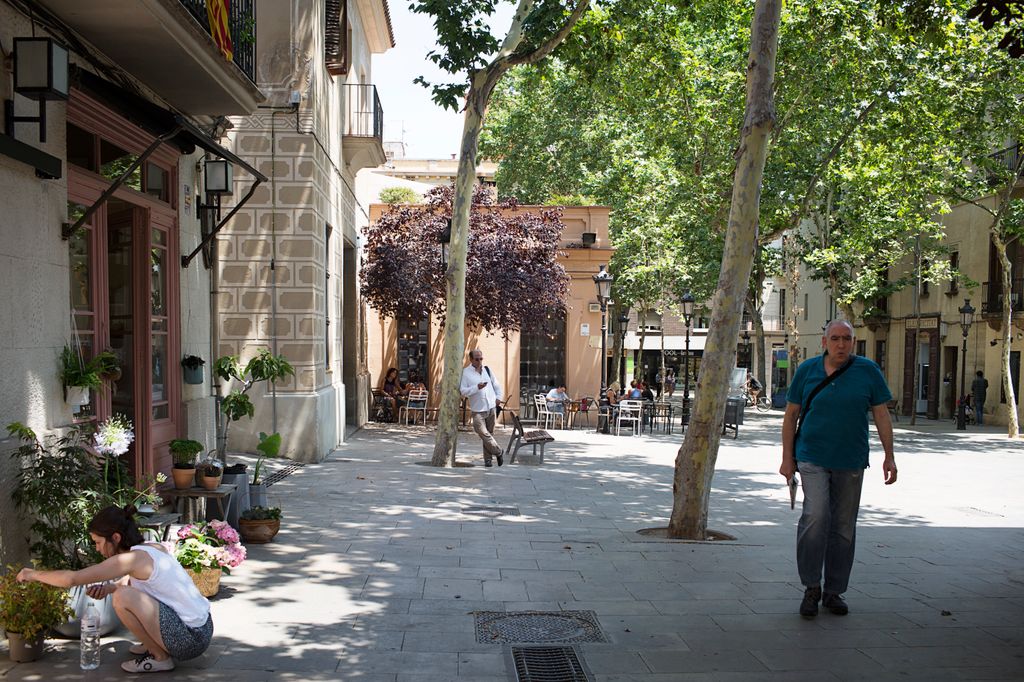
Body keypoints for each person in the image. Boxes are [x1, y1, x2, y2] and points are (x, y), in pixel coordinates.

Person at [780, 319, 897, 619]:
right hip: (812, 457)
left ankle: (834, 591)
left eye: (847, 339)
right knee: (816, 516)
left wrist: (889, 456)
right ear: (825, 342)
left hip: (851, 459)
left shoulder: (868, 370)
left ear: (853, 342)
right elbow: (791, 415)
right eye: (835, 338)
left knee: (843, 526)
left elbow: (882, 414)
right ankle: (811, 587)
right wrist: (786, 458)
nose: (841, 344)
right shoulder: (807, 370)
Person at [16, 505, 213, 673]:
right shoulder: (151, 548)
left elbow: (72, 579)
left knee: (122, 597)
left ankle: (160, 657)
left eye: (98, 542)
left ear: (116, 537)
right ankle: (153, 643)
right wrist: (110, 587)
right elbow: (142, 582)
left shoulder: (130, 559)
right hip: (203, 628)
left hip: (190, 640)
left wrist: (31, 574)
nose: (97, 549)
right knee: (121, 592)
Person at [460, 349, 504, 467]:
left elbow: (497, 385)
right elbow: (463, 391)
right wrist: (476, 388)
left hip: (491, 407)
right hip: (478, 410)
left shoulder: (487, 370)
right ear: (471, 359)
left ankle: (488, 460)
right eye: (477, 359)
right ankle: (499, 451)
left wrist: (498, 397)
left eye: (481, 358)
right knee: (482, 432)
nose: (479, 361)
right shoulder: (466, 373)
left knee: (489, 434)